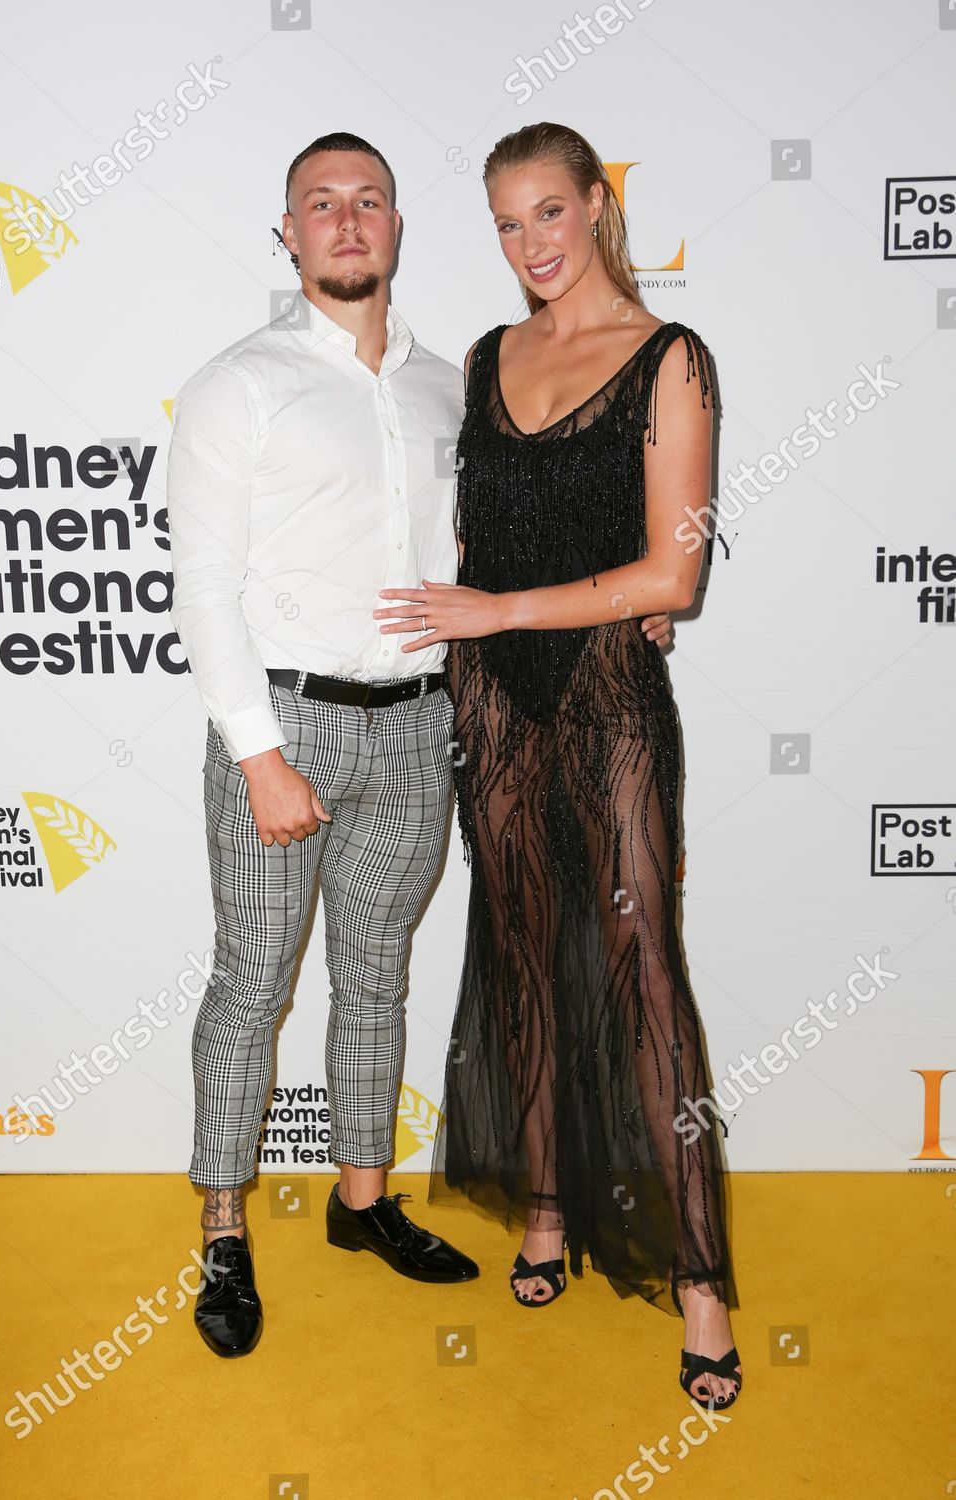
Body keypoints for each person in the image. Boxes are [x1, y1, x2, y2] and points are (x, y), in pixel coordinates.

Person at [167, 127, 680, 1360]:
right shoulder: (237, 384)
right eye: (320, 202)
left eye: (370, 201)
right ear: (287, 233)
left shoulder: (457, 387)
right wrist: (259, 754)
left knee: (377, 977)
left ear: (397, 229)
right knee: (252, 982)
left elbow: (519, 536)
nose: (347, 220)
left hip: (419, 727)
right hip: (285, 722)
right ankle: (224, 1232)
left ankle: (363, 1202)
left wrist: (640, 595)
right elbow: (203, 588)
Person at [374, 122, 742, 1409]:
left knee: (646, 968)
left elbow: (674, 574)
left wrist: (507, 610)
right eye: (505, 223)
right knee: (521, 946)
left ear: (596, 206)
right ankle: (542, 1207)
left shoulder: (670, 358)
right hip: (495, 702)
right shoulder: (486, 358)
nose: (529, 242)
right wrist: (484, 611)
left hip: (608, 697)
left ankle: (701, 1280)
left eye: (547, 211)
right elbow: (483, 532)